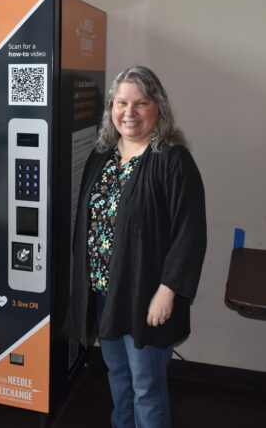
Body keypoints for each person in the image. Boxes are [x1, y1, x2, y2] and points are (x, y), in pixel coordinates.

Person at [64, 66, 206, 428]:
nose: (129, 112)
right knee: (118, 375)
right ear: (111, 107)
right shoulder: (102, 155)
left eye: (141, 103)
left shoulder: (173, 160)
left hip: (147, 298)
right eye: (122, 102)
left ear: (158, 108)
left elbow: (189, 235)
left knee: (146, 384)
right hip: (104, 293)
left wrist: (168, 291)